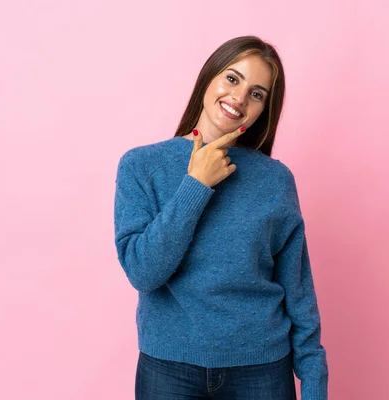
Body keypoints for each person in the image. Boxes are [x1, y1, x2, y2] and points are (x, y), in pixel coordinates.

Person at [113, 35, 329, 400]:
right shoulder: (141, 166)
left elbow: (298, 289)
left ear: (264, 109)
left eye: (257, 93)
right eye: (232, 79)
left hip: (261, 370)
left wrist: (314, 382)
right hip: (168, 370)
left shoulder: (275, 180)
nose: (240, 98)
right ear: (209, 78)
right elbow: (143, 272)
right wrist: (196, 184)